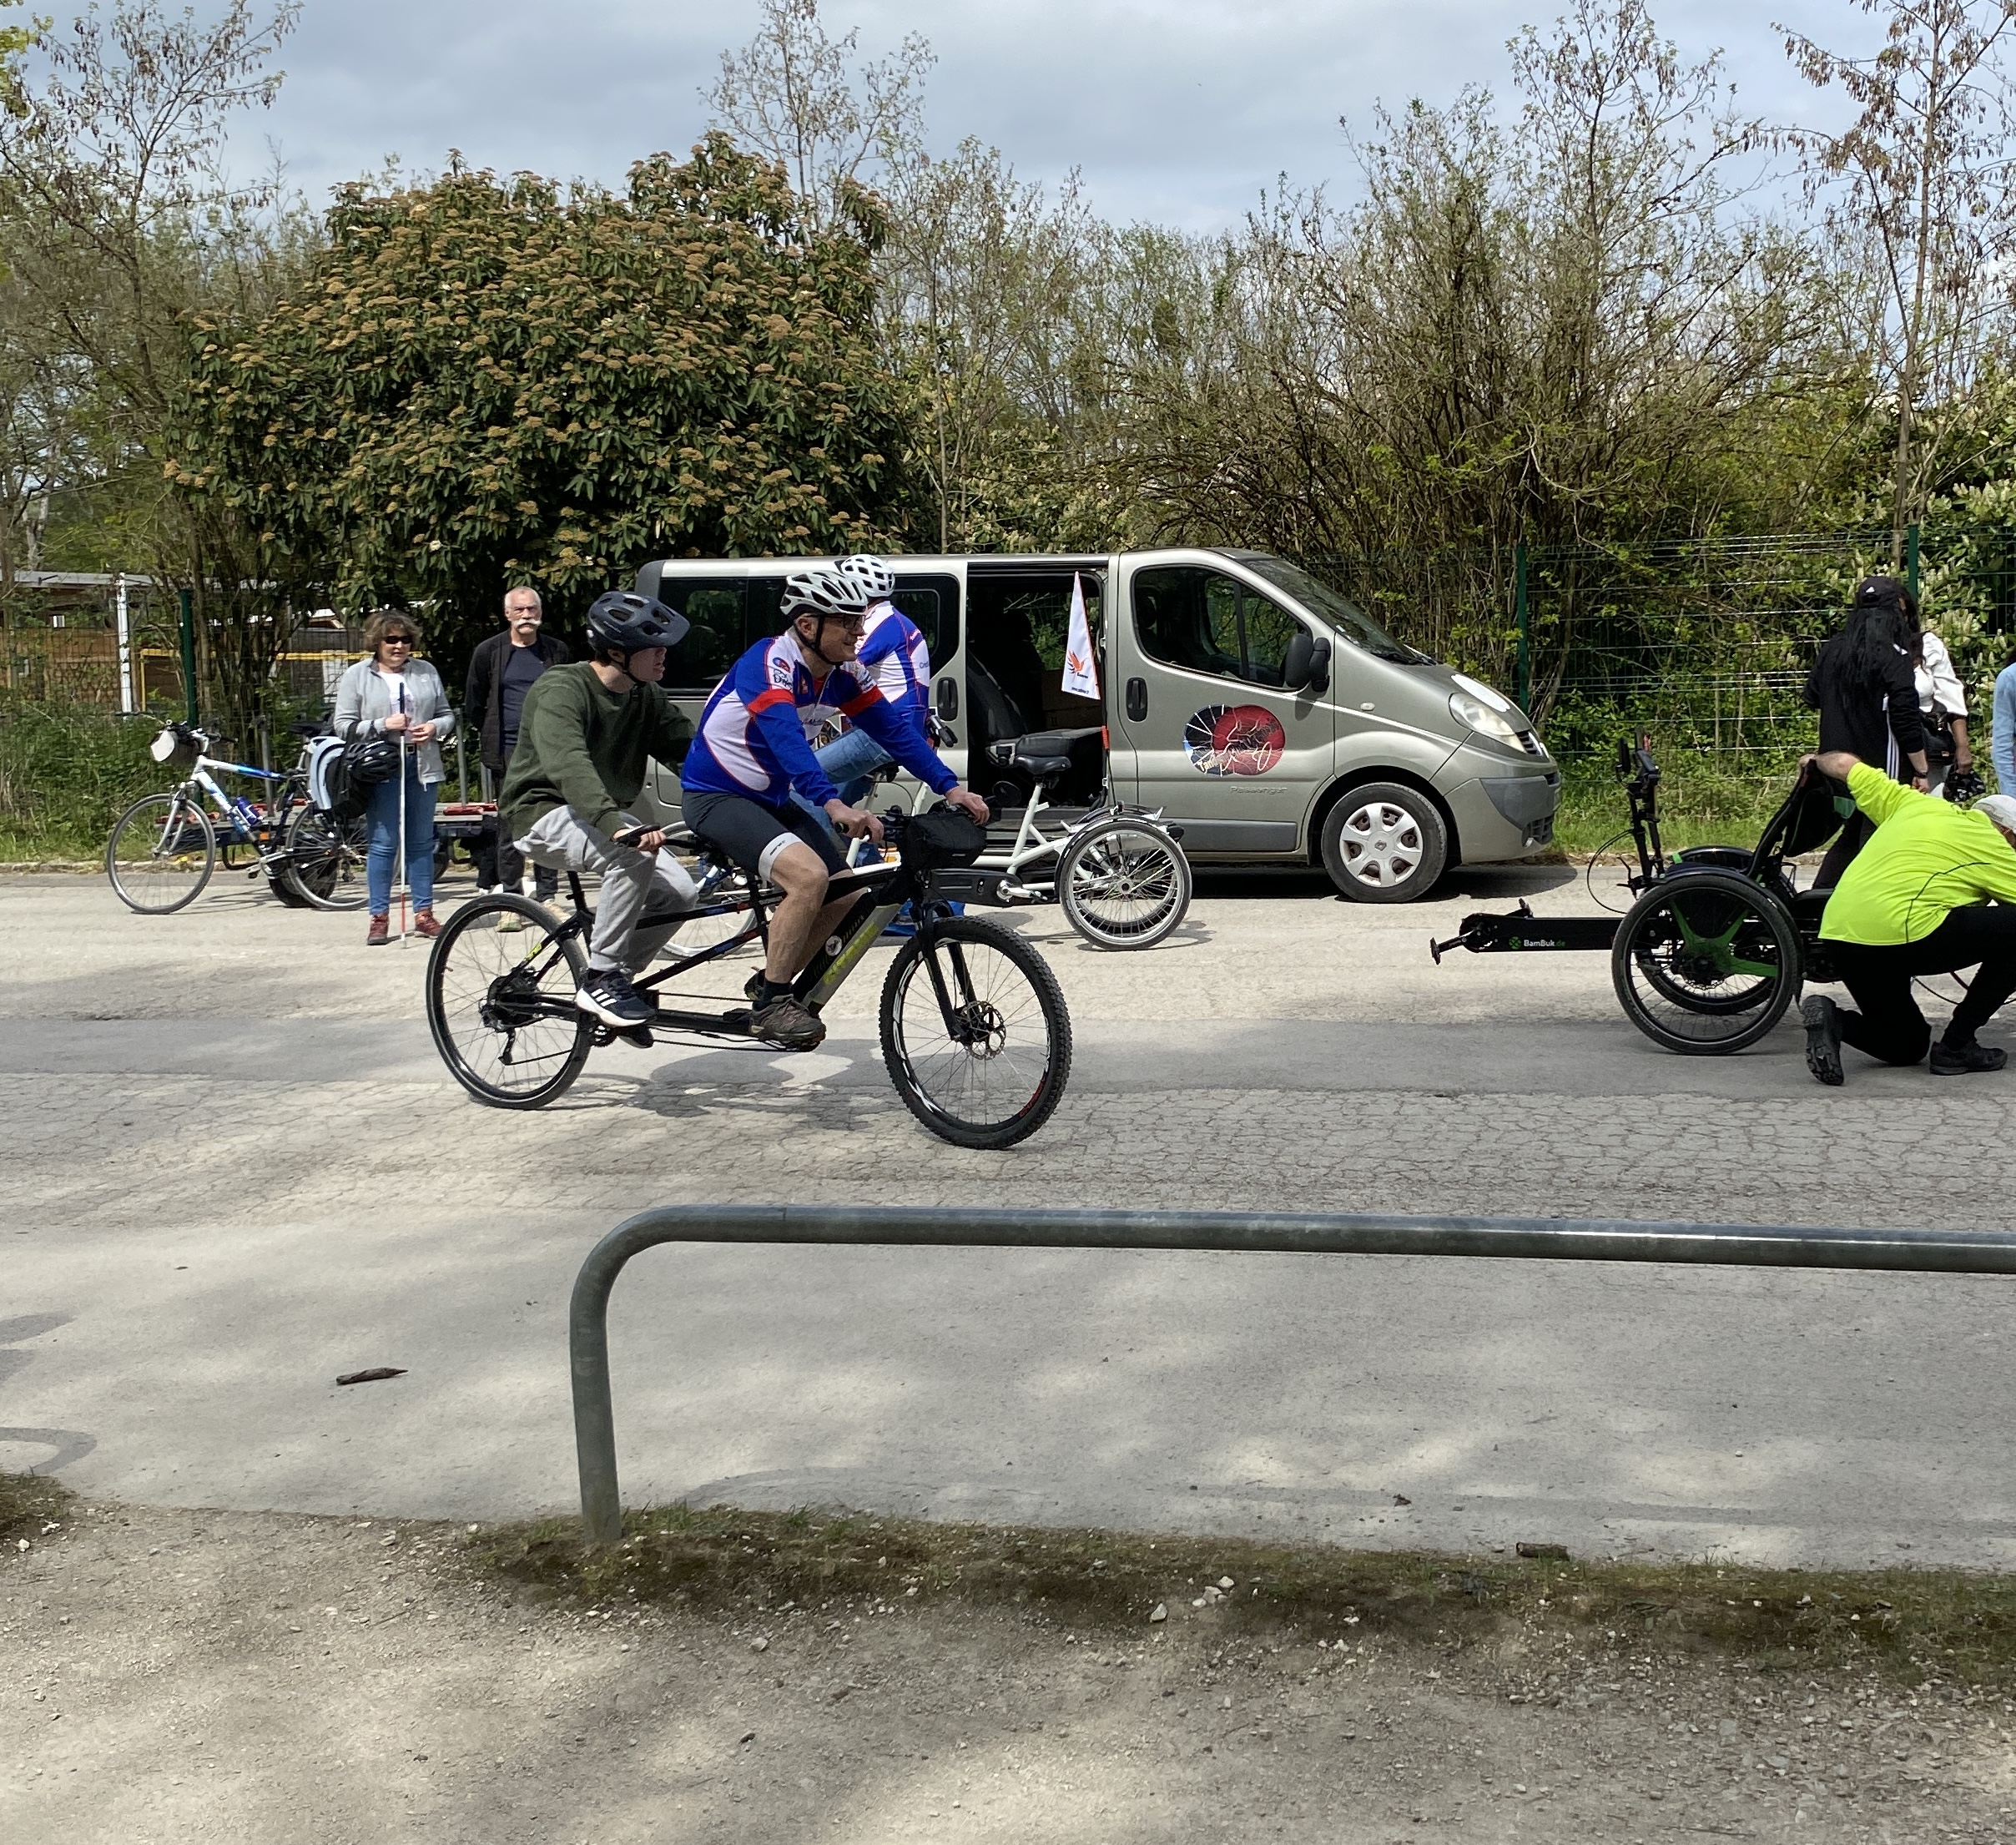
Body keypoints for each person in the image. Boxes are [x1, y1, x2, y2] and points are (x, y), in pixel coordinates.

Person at [678, 564, 990, 1051]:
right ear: (808, 625)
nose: (860, 631)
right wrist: (832, 803)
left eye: (859, 619)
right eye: (847, 621)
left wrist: (950, 787)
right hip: (717, 795)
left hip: (771, 798)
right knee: (808, 878)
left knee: (846, 895)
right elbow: (786, 740)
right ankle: (774, 1006)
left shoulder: (842, 674)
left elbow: (893, 730)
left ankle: (769, 981)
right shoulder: (768, 663)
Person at [498, 591, 701, 1038]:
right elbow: (569, 765)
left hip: (598, 816)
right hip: (541, 812)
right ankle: (601, 979)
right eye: (655, 648)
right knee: (630, 855)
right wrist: (613, 826)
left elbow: (694, 753)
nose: (664, 656)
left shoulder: (644, 696)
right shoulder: (562, 688)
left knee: (682, 894)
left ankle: (618, 982)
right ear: (616, 653)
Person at [1799, 748, 2016, 1084]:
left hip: (1841, 936)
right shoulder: (1996, 847)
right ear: (2006, 832)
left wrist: (1815, 762)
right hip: (1902, 933)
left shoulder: (1912, 804)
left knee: (1906, 1045)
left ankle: (1836, 1021)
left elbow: (1844, 764)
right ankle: (1957, 1046)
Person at [334, 611, 456, 946]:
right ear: (377, 642)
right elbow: (343, 726)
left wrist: (433, 728)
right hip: (381, 768)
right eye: (391, 640)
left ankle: (424, 914)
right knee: (383, 843)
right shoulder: (357, 675)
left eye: (405, 640)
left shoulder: (426, 671)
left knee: (420, 842)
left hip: (423, 765)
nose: (399, 646)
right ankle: (378, 917)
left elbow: (447, 715)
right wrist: (381, 725)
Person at [1804, 575, 1931, 890]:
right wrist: (1921, 769)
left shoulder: (1832, 649)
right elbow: (1904, 717)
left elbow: (1813, 697)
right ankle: (1863, 913)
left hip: (1835, 764)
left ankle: (1816, 903)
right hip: (1879, 769)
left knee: (1852, 834)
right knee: (1877, 837)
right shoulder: (1895, 656)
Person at [465, 585, 570, 904]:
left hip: (550, 747)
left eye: (532, 610)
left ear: (540, 613)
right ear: (508, 614)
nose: (527, 616)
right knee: (510, 824)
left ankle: (548, 895)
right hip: (508, 748)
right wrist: (492, 731)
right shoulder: (489, 652)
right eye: (520, 610)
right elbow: (475, 702)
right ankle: (512, 897)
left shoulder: (556, 652)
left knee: (550, 818)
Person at [1908, 621, 1973, 799]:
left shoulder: (1927, 644)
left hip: (1929, 749)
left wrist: (1962, 746)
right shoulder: (1860, 645)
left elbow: (1951, 697)